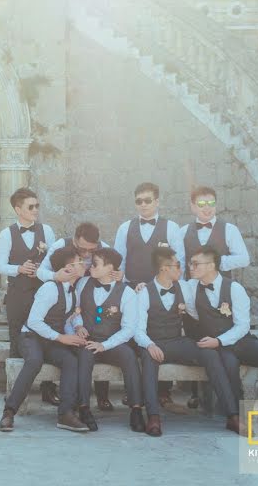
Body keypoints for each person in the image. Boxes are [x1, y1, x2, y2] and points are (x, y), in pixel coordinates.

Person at [134, 246, 241, 436]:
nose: (181, 269)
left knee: (209, 354)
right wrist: (149, 344)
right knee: (148, 363)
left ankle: (232, 416)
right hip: (154, 342)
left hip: (177, 341)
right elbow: (138, 329)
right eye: (177, 265)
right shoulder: (144, 293)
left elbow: (202, 307)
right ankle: (153, 417)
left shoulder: (184, 287)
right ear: (164, 268)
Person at [183, 246, 258, 413]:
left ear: (211, 265)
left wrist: (219, 340)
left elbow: (242, 325)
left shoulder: (234, 288)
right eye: (190, 263)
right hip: (215, 345)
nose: (191, 267)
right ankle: (236, 412)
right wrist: (142, 287)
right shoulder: (190, 287)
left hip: (241, 341)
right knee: (229, 365)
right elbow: (170, 291)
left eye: (196, 264)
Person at [0, 245, 88, 433]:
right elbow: (34, 321)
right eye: (80, 262)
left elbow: (72, 313)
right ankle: (9, 411)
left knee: (70, 360)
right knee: (34, 361)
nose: (85, 264)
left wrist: (78, 326)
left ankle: (65, 414)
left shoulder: (74, 290)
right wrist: (62, 338)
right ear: (68, 268)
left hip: (52, 340)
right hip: (30, 337)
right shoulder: (49, 289)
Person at [113, 182, 185, 413]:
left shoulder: (171, 227)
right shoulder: (126, 227)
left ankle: (163, 392)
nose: (143, 205)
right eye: (139, 201)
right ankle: (132, 391)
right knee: (134, 337)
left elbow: (178, 260)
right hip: (133, 290)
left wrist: (177, 292)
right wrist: (123, 289)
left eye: (148, 200)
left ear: (157, 201)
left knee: (162, 334)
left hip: (162, 290)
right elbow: (120, 261)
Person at [37, 222, 120, 411]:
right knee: (69, 343)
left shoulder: (105, 248)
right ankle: (51, 389)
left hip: (94, 295)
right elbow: (40, 272)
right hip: (66, 294)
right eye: (82, 249)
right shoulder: (60, 245)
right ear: (74, 240)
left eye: (91, 250)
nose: (86, 255)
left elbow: (116, 269)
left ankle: (102, 396)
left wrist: (118, 274)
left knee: (99, 334)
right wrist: (56, 276)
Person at [0, 187, 59, 405]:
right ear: (18, 209)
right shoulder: (7, 234)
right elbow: (0, 265)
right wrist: (19, 269)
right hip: (18, 295)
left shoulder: (47, 231)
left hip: (43, 294)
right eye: (30, 207)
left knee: (45, 337)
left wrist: (42, 268)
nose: (35, 210)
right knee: (16, 338)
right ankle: (14, 390)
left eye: (37, 206)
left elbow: (54, 259)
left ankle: (48, 389)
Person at [74, 248, 145, 433]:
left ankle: (136, 409)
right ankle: (83, 408)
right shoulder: (83, 284)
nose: (90, 266)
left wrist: (104, 345)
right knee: (84, 357)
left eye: (95, 263)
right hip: (89, 341)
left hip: (113, 342)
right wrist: (78, 325)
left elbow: (129, 329)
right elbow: (75, 310)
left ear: (110, 267)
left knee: (129, 356)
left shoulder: (127, 293)